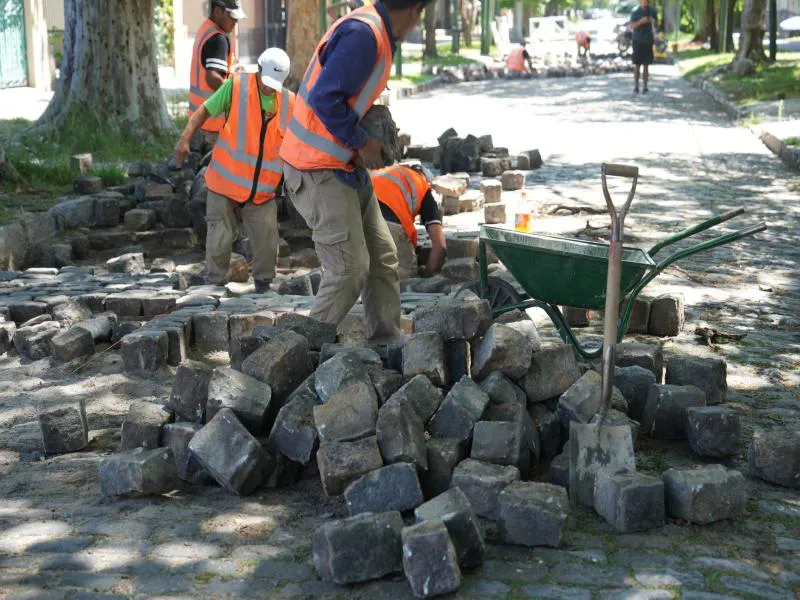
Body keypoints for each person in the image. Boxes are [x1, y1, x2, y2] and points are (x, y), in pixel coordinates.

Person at [279, 0, 432, 340]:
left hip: (342, 164)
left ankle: (387, 341)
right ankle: (295, 352)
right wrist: (362, 141)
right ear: (414, 10)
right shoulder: (364, 35)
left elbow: (344, 94)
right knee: (348, 270)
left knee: (382, 259)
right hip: (316, 167)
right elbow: (325, 98)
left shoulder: (371, 30)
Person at [175, 48, 294, 293]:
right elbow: (205, 110)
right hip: (224, 182)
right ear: (258, 70)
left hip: (261, 190)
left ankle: (263, 284)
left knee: (267, 240)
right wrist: (184, 139)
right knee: (220, 235)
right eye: (266, 82)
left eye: (275, 85)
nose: (269, 88)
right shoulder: (237, 87)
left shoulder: (289, 103)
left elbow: (297, 142)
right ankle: (214, 284)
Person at [188, 0, 247, 151]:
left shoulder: (205, 29)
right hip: (213, 124)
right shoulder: (218, 39)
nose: (235, 21)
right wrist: (235, 96)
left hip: (200, 120)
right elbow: (212, 77)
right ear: (217, 11)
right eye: (232, 16)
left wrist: (231, 71)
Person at [370, 163, 447, 279]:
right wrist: (427, 273)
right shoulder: (423, 185)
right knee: (404, 272)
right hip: (390, 223)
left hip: (357, 219)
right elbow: (440, 245)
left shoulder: (390, 171)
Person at [629, 0, 658, 94]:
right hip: (637, 40)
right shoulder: (635, 11)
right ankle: (636, 86)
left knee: (646, 64)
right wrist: (641, 21)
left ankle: (645, 86)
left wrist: (653, 22)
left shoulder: (652, 11)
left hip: (648, 41)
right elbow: (632, 26)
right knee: (637, 64)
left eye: (647, 1)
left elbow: (656, 25)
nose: (645, 2)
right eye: (643, 1)